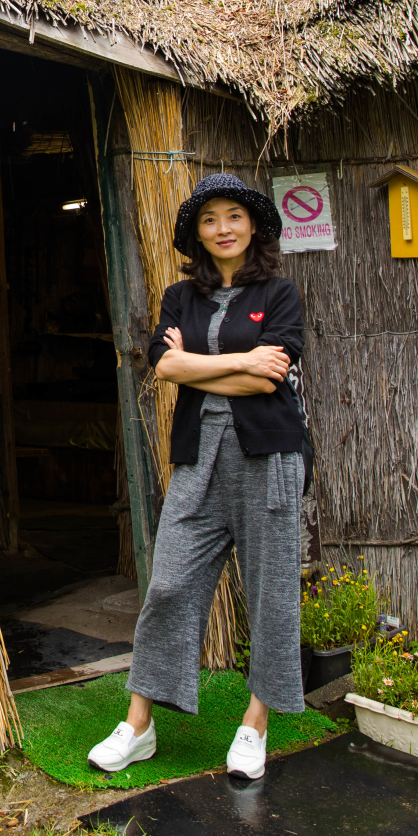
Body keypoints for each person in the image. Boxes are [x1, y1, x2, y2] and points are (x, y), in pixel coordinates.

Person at [86, 172, 307, 780]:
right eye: (210, 220)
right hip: (198, 457)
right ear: (198, 236)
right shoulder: (180, 298)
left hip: (269, 458)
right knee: (170, 585)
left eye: (233, 216)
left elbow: (270, 380)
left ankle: (253, 725)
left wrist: (196, 365)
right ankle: (138, 726)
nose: (223, 229)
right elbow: (163, 367)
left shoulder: (282, 293)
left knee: (271, 592)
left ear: (253, 225)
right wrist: (239, 358)